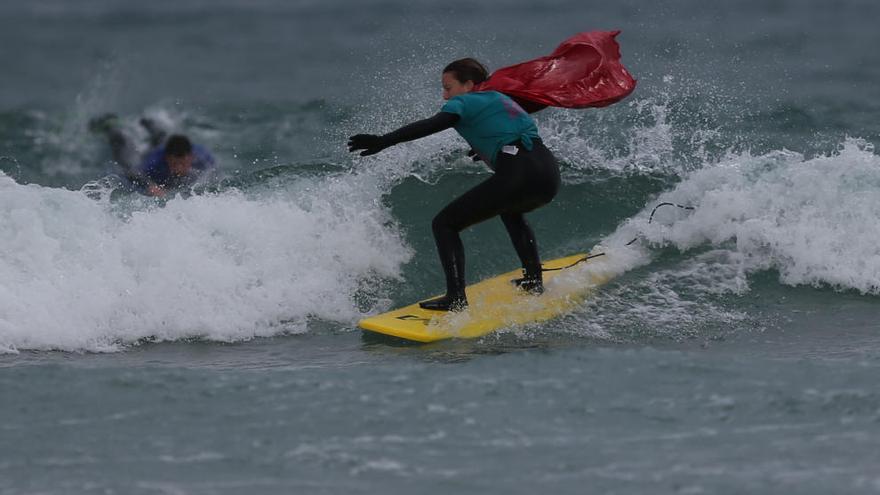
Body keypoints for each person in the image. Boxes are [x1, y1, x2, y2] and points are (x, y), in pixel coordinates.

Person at [348, 58, 561, 311]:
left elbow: (433, 124)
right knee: (511, 212)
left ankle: (456, 298)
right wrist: (486, 147)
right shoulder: (501, 99)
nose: (444, 95)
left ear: (468, 85)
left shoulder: (466, 101)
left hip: (519, 172)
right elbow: (506, 130)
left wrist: (384, 141)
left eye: (448, 88)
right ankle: (534, 281)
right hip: (548, 174)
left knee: (444, 224)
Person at [89, 114, 216, 197]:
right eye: (174, 164)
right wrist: (150, 185)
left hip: (165, 146)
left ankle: (150, 124)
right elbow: (132, 172)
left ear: (191, 158)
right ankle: (111, 128)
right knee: (126, 156)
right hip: (154, 153)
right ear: (167, 159)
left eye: (182, 164)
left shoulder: (203, 158)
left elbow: (213, 173)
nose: (178, 168)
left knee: (163, 138)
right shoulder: (155, 162)